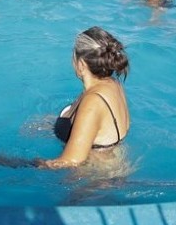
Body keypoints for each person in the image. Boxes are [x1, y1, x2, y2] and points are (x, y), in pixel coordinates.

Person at [39, 27, 130, 168]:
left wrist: (19, 164)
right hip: (114, 165)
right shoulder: (112, 84)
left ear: (81, 65)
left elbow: (70, 162)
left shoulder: (93, 102)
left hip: (93, 179)